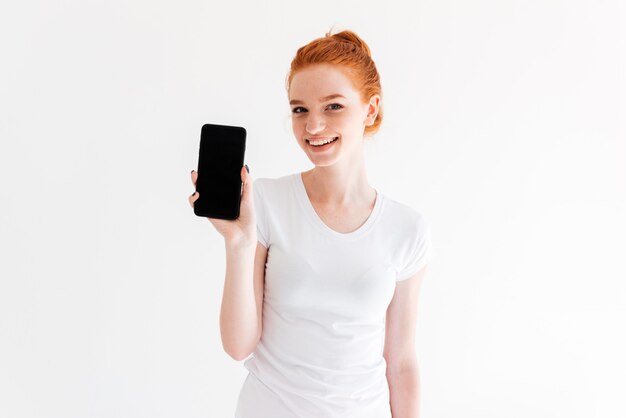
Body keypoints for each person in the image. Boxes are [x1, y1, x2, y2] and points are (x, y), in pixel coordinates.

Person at [188, 28, 433, 418]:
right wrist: (238, 243)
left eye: (333, 106)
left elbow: (401, 363)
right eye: (300, 109)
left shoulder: (406, 229)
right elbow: (238, 346)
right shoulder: (265, 201)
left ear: (370, 109)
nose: (312, 126)